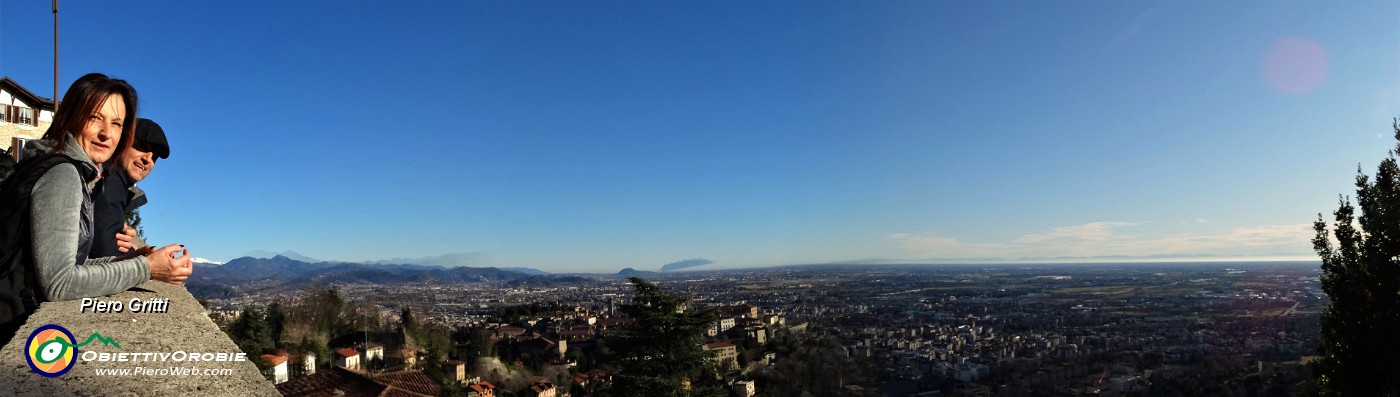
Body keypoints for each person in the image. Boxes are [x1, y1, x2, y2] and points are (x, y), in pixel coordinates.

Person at [26, 73, 192, 303]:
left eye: (116, 123)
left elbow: (75, 261)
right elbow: (59, 283)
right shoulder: (63, 174)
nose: (106, 133)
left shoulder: (79, 174)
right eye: (95, 118)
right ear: (72, 117)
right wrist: (146, 268)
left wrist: (132, 261)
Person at [90, 118, 170, 258]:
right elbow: (104, 255)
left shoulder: (114, 182)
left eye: (154, 156)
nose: (148, 159)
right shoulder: (108, 180)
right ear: (122, 142)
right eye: (142, 147)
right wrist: (145, 263)